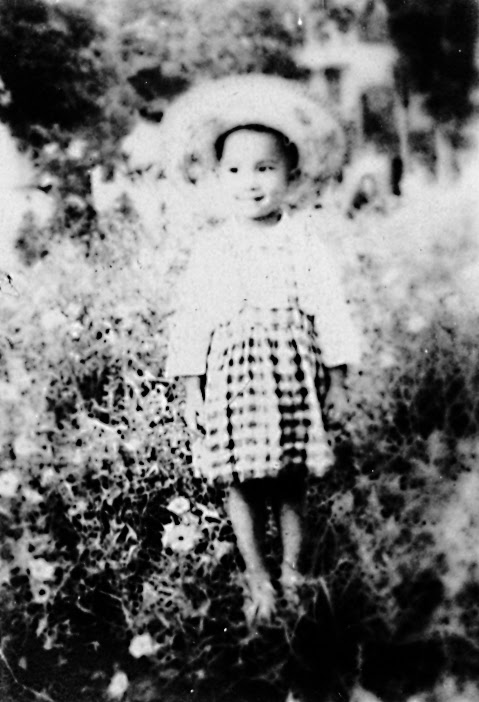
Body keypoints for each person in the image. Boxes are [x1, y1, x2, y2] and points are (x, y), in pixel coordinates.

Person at [164, 76, 361, 626]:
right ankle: (257, 574)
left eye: (264, 168)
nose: (249, 183)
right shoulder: (213, 247)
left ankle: (293, 571)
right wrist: (192, 389)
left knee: (291, 480)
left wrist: (338, 380)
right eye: (234, 170)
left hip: (291, 376)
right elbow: (193, 319)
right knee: (242, 480)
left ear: (291, 174)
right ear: (216, 176)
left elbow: (330, 310)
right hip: (234, 378)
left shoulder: (303, 242)